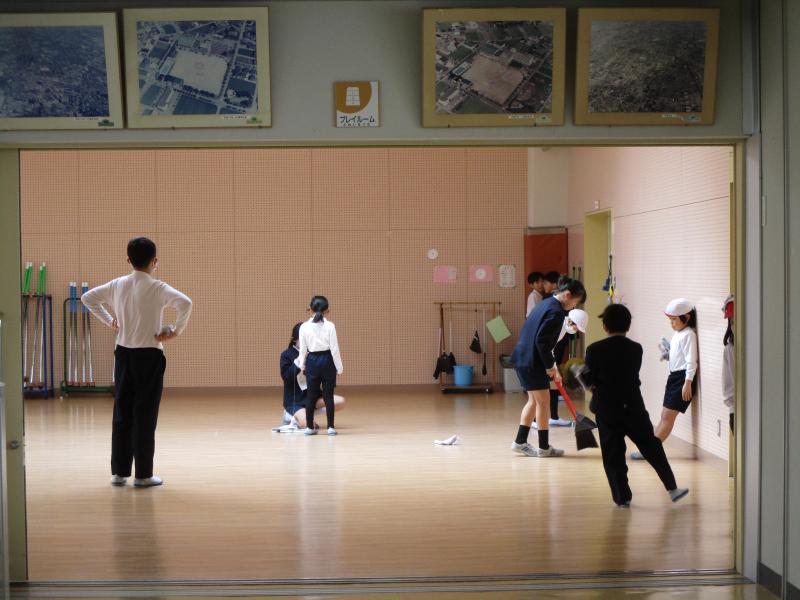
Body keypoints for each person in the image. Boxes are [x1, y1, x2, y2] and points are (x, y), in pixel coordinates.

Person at [82, 237, 192, 487]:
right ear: (155, 261)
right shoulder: (158, 287)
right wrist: (175, 331)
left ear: (128, 260)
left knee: (122, 413)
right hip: (149, 356)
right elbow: (185, 303)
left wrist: (109, 320)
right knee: (145, 415)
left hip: (123, 354)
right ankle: (143, 475)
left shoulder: (117, 284)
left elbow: (88, 298)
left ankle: (119, 473)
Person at [582, 304, 689, 506]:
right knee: (652, 447)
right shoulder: (636, 349)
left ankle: (622, 498)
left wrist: (579, 375)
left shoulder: (594, 350)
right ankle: (672, 488)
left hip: (607, 409)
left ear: (605, 326)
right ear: (628, 326)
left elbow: (589, 382)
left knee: (613, 454)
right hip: (633, 407)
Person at [509, 278, 586, 457]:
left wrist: (553, 367)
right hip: (532, 362)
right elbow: (542, 342)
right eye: (574, 302)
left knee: (534, 401)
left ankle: (520, 442)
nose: (573, 306)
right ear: (568, 295)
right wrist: (550, 367)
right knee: (543, 402)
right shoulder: (556, 312)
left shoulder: (546, 303)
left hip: (523, 359)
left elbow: (542, 342)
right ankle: (544, 448)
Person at [632, 298, 698, 460]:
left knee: (668, 417)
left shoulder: (689, 335)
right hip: (674, 377)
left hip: (683, 379)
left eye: (674, 320)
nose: (671, 323)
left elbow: (691, 361)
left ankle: (650, 451)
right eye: (670, 320)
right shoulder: (678, 334)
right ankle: (650, 448)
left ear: (686, 317)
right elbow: (679, 357)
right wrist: (668, 353)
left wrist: (687, 383)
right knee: (664, 415)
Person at [275, 322, 346, 433]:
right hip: (295, 400)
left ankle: (308, 413)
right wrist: (299, 361)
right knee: (311, 426)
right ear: (295, 339)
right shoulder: (286, 355)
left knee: (340, 402)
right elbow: (286, 377)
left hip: (313, 396)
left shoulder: (314, 353)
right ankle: (292, 415)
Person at [532, 308, 588, 429]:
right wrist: (550, 367)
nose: (576, 330)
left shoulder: (563, 328)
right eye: (577, 327)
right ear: (571, 321)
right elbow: (543, 346)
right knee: (540, 391)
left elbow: (551, 348)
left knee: (553, 386)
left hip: (545, 358)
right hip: (536, 359)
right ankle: (535, 420)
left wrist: (554, 368)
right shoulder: (558, 326)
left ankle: (554, 417)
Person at [297, 296, 343, 436]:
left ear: (310, 309)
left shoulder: (304, 327)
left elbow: (302, 350)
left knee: (311, 395)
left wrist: (302, 366)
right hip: (328, 360)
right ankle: (330, 428)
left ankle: (309, 427)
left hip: (312, 361)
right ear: (327, 310)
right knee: (328, 396)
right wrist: (339, 367)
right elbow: (334, 349)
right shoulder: (330, 326)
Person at [721, 295, 735, 432]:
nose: (735, 326)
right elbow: (728, 383)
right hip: (738, 410)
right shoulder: (730, 349)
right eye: (732, 322)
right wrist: (732, 410)